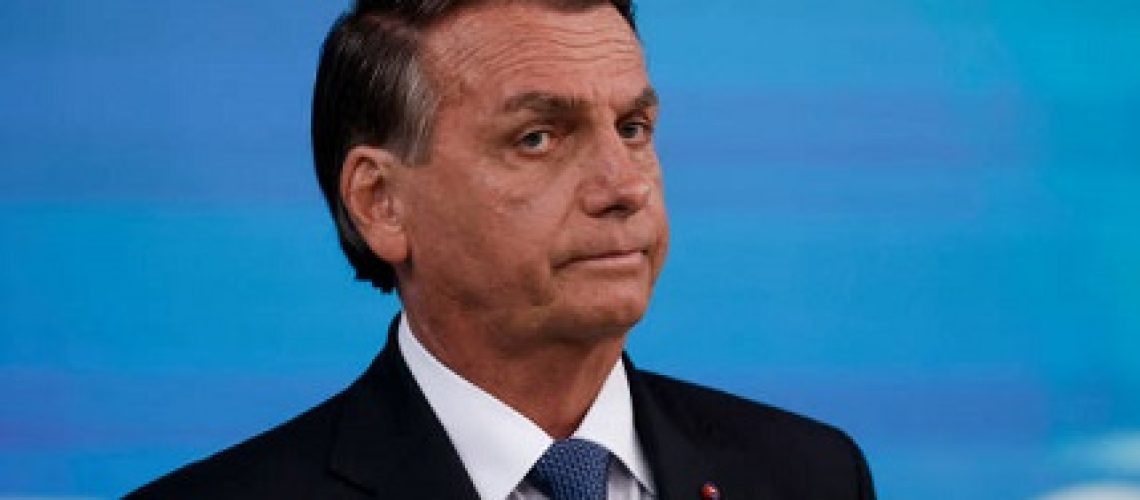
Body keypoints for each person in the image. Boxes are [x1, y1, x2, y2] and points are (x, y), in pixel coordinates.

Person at [128, 0, 876, 498]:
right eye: (538, 138)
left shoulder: (811, 476)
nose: (623, 186)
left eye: (632, 129)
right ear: (380, 203)